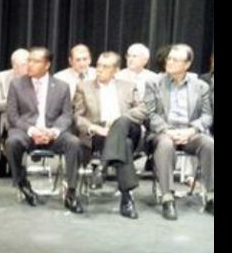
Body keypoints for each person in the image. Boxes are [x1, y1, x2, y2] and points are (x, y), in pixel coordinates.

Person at [5, 47, 85, 213]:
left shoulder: (61, 86)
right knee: (12, 142)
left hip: (52, 134)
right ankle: (22, 183)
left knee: (74, 143)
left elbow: (66, 115)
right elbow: (13, 117)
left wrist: (54, 131)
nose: (30, 64)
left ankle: (71, 192)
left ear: (47, 65)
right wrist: (32, 131)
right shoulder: (17, 85)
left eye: (35, 61)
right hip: (27, 133)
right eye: (29, 60)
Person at [144, 44, 214, 220]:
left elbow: (207, 116)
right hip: (163, 133)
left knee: (209, 144)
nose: (170, 62)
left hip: (189, 132)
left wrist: (192, 130)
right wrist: (167, 130)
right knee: (166, 144)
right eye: (169, 58)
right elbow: (150, 114)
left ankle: (211, 195)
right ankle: (168, 198)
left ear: (187, 64)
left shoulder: (201, 86)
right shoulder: (155, 83)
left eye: (176, 60)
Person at [74, 52, 147, 219]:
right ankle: (127, 199)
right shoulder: (83, 87)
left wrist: (119, 120)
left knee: (122, 124)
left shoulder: (129, 86)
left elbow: (143, 110)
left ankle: (102, 167)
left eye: (105, 67)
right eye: (98, 65)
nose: (99, 69)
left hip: (128, 127)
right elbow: (77, 117)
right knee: (125, 144)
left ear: (116, 70)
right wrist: (93, 127)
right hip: (100, 133)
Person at [0, 49, 30, 139]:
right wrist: (12, 101)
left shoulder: (35, 77)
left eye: (29, 63)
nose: (28, 66)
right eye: (24, 64)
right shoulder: (2, 77)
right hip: (10, 123)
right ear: (14, 66)